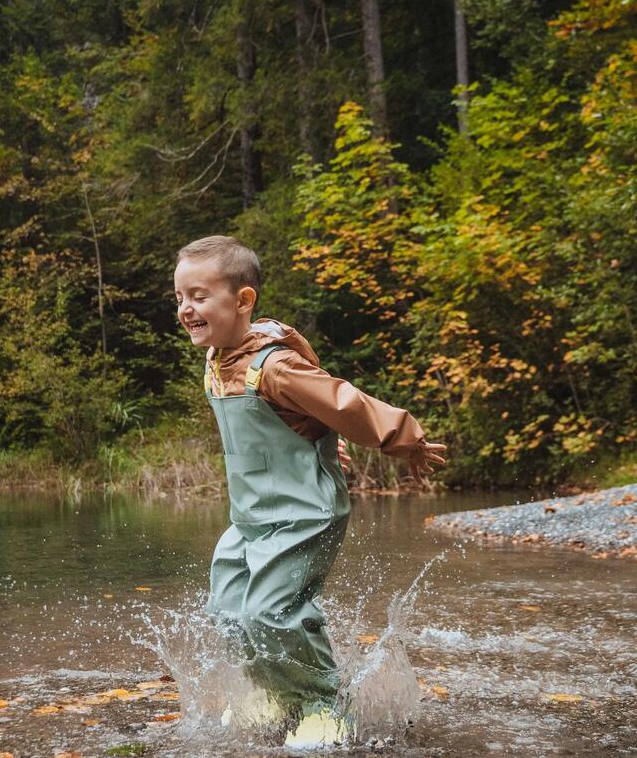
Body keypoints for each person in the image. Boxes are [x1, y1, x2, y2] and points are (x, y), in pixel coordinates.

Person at [173, 235, 448, 749]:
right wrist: (319, 440)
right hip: (250, 518)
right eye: (181, 298)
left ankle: (325, 703)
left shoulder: (273, 365)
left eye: (200, 295)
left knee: (271, 612)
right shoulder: (216, 361)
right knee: (228, 611)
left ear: (243, 300)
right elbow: (292, 423)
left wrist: (404, 438)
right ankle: (277, 691)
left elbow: (342, 402)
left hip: (304, 514)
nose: (187, 308)